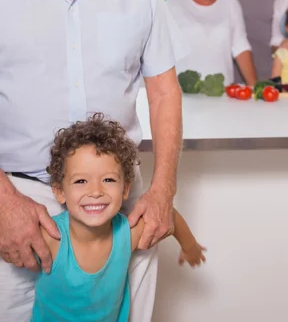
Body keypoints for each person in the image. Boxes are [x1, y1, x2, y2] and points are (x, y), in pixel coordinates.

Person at [0, 0, 185, 321]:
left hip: (123, 201)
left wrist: (163, 191)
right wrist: (3, 202)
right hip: (23, 202)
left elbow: (164, 92)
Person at [31, 115, 206, 321]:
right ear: (60, 191)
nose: (95, 191)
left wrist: (190, 247)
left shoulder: (126, 233)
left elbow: (172, 217)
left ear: (125, 189)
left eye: (108, 179)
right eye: (80, 181)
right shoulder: (52, 238)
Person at [167, 0, 257, 87]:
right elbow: (161, 50)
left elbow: (241, 47)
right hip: (183, 92)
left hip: (221, 92)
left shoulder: (230, 4)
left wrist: (255, 89)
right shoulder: (174, 4)